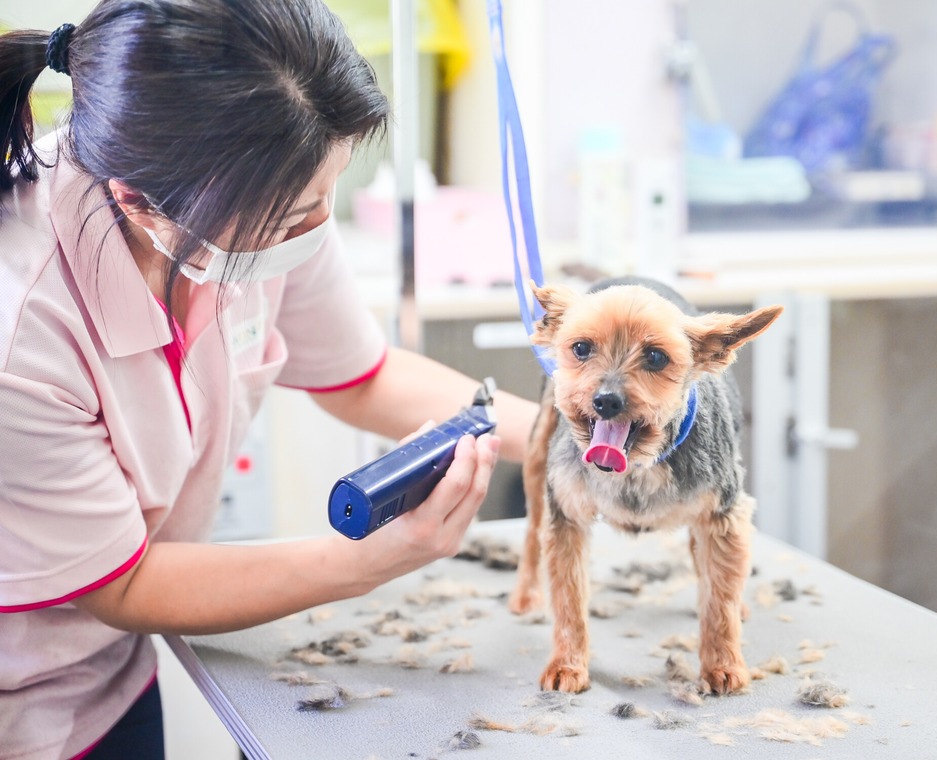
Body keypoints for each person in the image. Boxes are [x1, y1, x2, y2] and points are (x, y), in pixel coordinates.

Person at [0, 2, 538, 758]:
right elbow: (121, 584)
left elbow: (361, 376)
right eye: (293, 218)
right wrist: (363, 564)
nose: (319, 226)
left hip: (118, 675)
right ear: (137, 203)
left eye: (331, 192)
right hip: (26, 708)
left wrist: (564, 434)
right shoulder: (22, 330)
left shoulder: (266, 187)